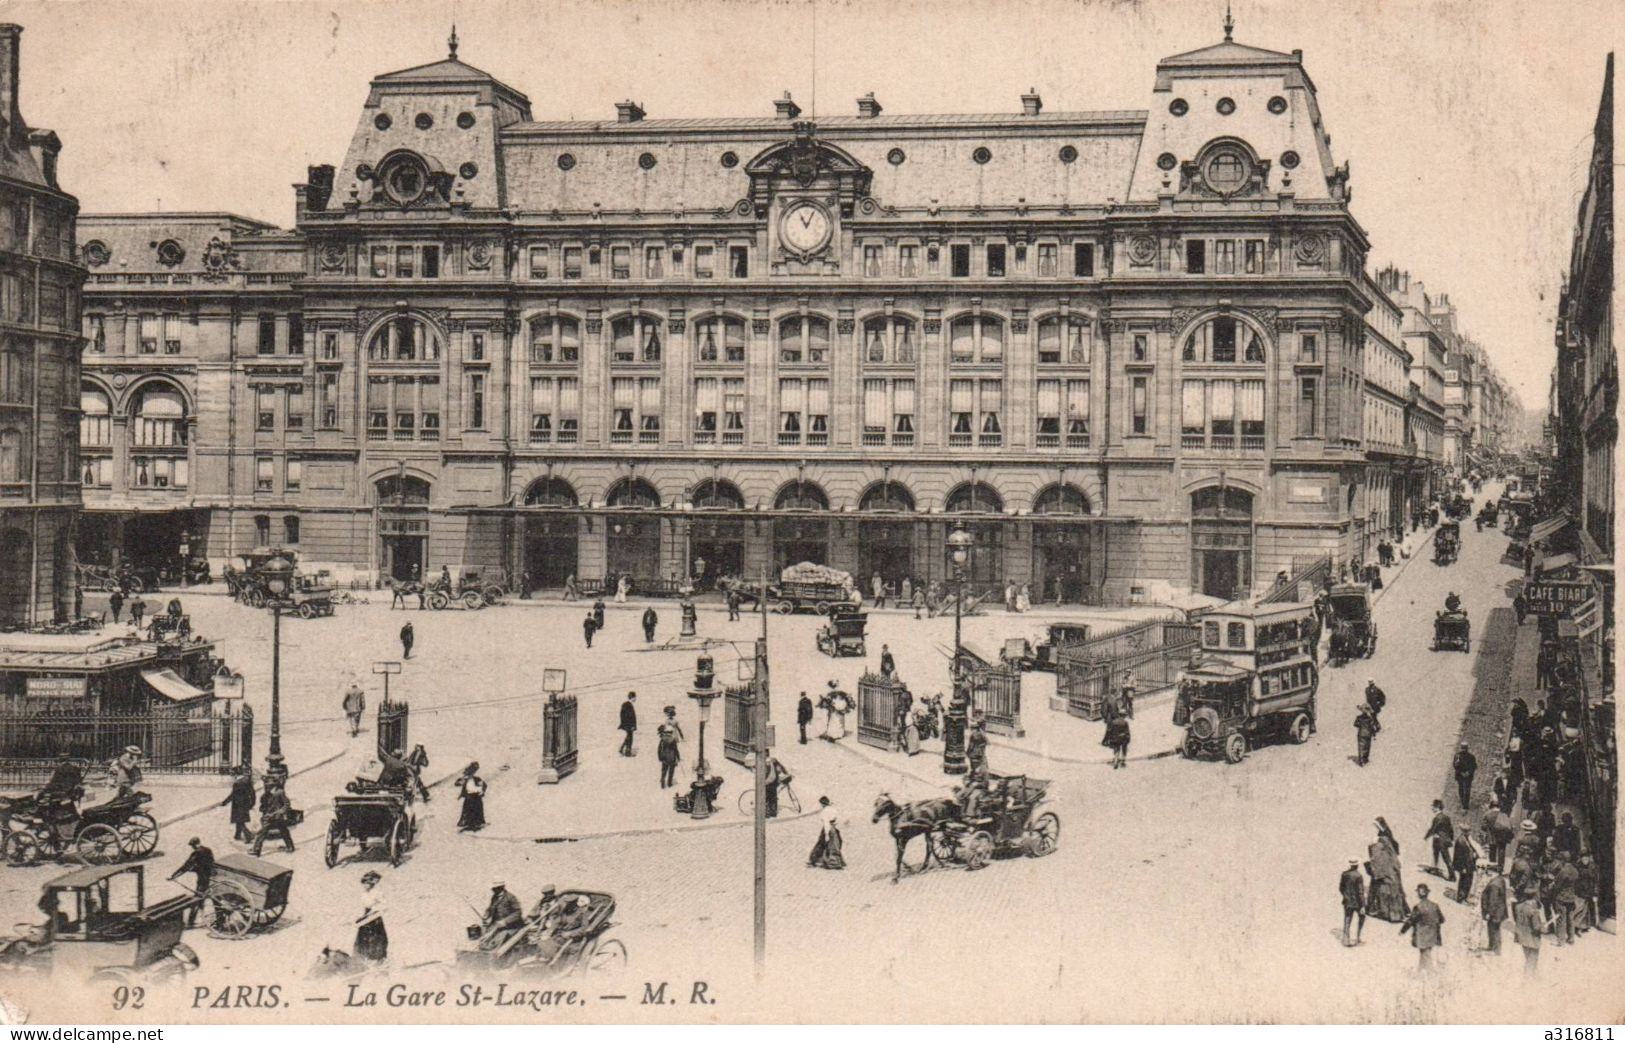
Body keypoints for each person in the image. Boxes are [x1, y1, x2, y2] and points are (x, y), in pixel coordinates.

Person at [1365, 818, 1409, 922]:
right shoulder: (1388, 837)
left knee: (1381, 889)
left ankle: (1379, 911)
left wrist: (1372, 845)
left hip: (1383, 868)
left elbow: (1376, 855)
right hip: (1391, 868)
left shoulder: (1381, 840)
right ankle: (1403, 911)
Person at [1399, 883, 1445, 973]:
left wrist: (1402, 931)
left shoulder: (1418, 907)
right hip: (1433, 934)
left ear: (1419, 894)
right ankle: (1420, 971)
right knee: (1425, 953)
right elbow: (1442, 920)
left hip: (1422, 935)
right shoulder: (1435, 906)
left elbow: (1411, 921)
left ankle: (1430, 973)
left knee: (1425, 954)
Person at [169, 837, 214, 926]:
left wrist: (174, 875)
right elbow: (212, 862)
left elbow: (186, 865)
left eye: (192, 846)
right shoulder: (208, 850)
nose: (192, 847)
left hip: (202, 879)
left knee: (197, 899)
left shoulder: (197, 853)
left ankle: (190, 921)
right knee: (210, 897)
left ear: (195, 844)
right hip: (210, 878)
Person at [252, 780, 296, 855]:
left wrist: (280, 812)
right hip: (270, 816)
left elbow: (286, 804)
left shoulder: (280, 793)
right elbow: (264, 805)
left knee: (262, 833)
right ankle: (290, 847)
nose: (266, 787)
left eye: (268, 785)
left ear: (273, 785)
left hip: (276, 817)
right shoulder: (266, 794)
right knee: (284, 831)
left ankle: (256, 850)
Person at [478, 882, 525, 950]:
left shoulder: (511, 897)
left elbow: (518, 912)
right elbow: (490, 908)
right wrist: (486, 916)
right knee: (484, 935)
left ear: (501, 887)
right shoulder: (494, 897)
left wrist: (505, 921)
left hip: (511, 926)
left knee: (499, 938)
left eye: (495, 888)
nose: (493, 890)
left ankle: (494, 954)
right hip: (497, 925)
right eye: (493, 888)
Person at [354, 871, 388, 963]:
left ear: (371, 884)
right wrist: (362, 915)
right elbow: (364, 905)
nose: (365, 885)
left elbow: (384, 905)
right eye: (364, 883)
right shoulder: (364, 894)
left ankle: (377, 958)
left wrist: (373, 912)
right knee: (363, 936)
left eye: (367, 883)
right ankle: (364, 957)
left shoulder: (377, 893)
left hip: (374, 916)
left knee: (376, 937)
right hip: (366, 915)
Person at [1513, 890, 1547, 976]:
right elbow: (1536, 927)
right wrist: (1543, 928)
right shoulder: (1533, 911)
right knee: (1532, 959)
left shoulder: (1518, 907)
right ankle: (1529, 978)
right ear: (1534, 897)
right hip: (1532, 938)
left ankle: (1533, 974)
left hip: (1521, 936)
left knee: (1527, 956)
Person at [221, 766, 256, 842]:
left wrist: (225, 802)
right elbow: (252, 792)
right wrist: (252, 803)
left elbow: (233, 795)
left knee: (240, 820)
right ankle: (237, 835)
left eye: (233, 774)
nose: (232, 776)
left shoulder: (237, 783)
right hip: (246, 803)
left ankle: (248, 835)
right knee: (240, 819)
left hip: (238, 804)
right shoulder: (247, 780)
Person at [808, 796, 844, 869]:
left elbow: (826, 823)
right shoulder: (832, 809)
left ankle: (819, 859)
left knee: (825, 844)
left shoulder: (825, 812)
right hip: (833, 827)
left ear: (822, 804)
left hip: (828, 828)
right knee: (834, 844)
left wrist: (827, 834)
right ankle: (833, 861)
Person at [1480, 868, 1510, 954]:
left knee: (1493, 930)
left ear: (1493, 873)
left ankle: (1495, 950)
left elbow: (1493, 900)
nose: (1488, 874)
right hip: (1499, 911)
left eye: (1489, 872)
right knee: (1494, 929)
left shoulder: (1494, 885)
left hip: (1495, 913)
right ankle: (1493, 947)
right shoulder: (1500, 880)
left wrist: (1489, 913)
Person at [1425, 801, 1456, 879]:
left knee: (1446, 857)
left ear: (1437, 807)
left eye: (1433, 807)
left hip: (1440, 840)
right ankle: (1435, 869)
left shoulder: (1437, 818)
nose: (1432, 808)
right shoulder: (1446, 817)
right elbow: (1450, 829)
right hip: (1443, 839)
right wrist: (1451, 838)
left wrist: (1426, 837)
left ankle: (1452, 876)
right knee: (1436, 854)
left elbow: (1433, 829)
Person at [1340, 858, 1366, 946]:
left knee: (1347, 920)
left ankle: (1346, 940)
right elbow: (1360, 891)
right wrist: (1363, 905)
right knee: (1362, 917)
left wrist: (1346, 896)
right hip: (1357, 902)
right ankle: (1358, 937)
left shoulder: (1344, 874)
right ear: (1357, 865)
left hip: (1347, 902)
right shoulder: (1358, 876)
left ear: (1350, 865)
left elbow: (1341, 888)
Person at [657, 708, 683, 789]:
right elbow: (676, 749)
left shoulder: (663, 739)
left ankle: (662, 782)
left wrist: (660, 757)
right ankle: (669, 783)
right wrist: (678, 757)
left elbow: (659, 749)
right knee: (671, 771)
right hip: (672, 757)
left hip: (664, 757)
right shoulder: (673, 740)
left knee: (664, 770)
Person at [1450, 829, 1479, 903]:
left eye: (1469, 831)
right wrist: (1462, 868)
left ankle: (1465, 897)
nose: (1469, 833)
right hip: (1464, 866)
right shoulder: (1460, 841)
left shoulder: (1468, 839)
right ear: (1464, 832)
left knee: (1469, 881)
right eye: (1468, 832)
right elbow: (1458, 856)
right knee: (1463, 881)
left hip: (1470, 864)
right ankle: (1460, 898)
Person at [456, 762, 486, 832]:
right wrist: (462, 781)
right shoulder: (465, 779)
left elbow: (484, 785)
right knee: (468, 809)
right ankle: (467, 822)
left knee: (477, 809)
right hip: (469, 797)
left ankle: (477, 822)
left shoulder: (477, 779)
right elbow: (457, 783)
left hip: (476, 796)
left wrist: (482, 790)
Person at [1485, 806, 1515, 872]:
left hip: (1492, 837)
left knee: (1492, 849)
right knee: (1501, 850)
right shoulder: (1504, 815)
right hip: (1502, 836)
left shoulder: (1488, 815)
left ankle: (1492, 864)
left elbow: (1483, 827)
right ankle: (1500, 867)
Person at [1452, 742, 1478, 810]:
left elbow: (1474, 766)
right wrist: (1457, 764)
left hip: (1468, 777)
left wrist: (1468, 773)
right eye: (1462, 748)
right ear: (1460, 748)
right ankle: (1462, 801)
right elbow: (1455, 766)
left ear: (1467, 749)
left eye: (1465, 748)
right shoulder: (1457, 756)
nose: (1463, 750)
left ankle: (1466, 805)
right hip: (1460, 776)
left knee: (1467, 790)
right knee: (1461, 789)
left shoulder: (1471, 757)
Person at [618, 692, 638, 756]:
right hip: (628, 725)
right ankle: (627, 752)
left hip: (627, 725)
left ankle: (621, 749)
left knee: (628, 737)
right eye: (635, 697)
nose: (635, 699)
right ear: (632, 697)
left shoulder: (627, 704)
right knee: (630, 738)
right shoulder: (627, 705)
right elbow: (627, 716)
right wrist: (631, 725)